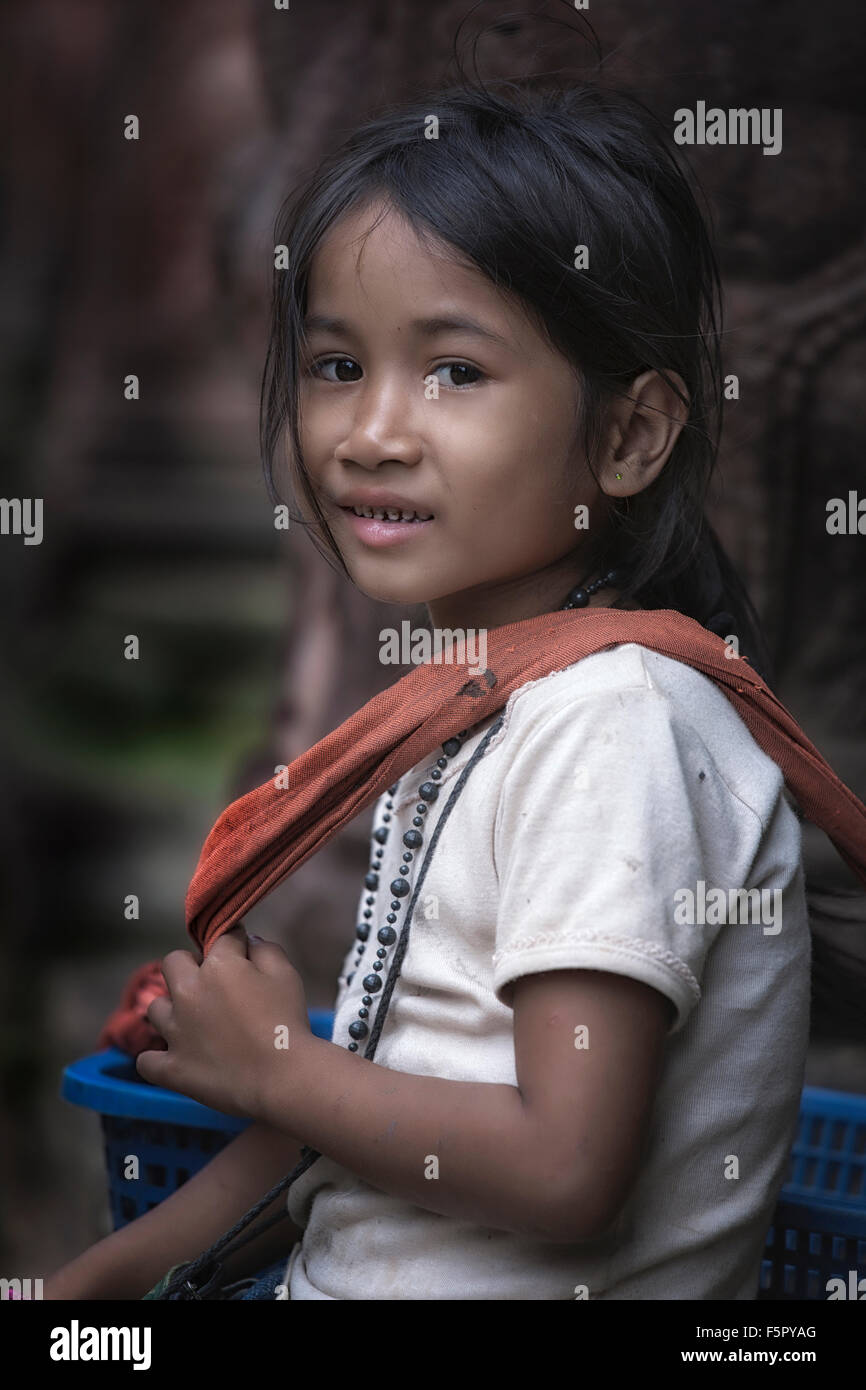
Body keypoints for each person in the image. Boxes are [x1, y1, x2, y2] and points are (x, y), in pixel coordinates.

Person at [45, 77, 813, 1301]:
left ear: (627, 438)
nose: (370, 431)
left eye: (453, 371)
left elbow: (566, 1171)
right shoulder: (486, 704)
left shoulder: (610, 723)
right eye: (337, 364)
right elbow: (353, 1120)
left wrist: (279, 1069)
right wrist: (86, 1290)